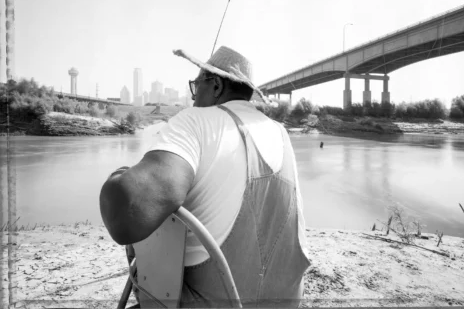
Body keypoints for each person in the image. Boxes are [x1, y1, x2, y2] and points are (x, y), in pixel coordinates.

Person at [99, 46, 311, 307]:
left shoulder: (196, 120)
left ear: (216, 85)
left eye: (195, 85)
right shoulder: (281, 133)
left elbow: (126, 215)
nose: (193, 97)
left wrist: (119, 175)